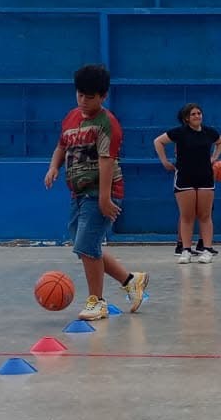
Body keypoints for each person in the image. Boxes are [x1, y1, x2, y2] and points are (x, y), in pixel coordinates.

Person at [43, 63, 149, 320]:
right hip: (77, 192)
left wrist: (104, 198)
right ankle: (131, 280)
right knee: (85, 247)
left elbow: (106, 162)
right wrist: (53, 168)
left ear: (103, 96)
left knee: (87, 245)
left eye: (89, 97)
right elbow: (61, 146)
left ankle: (96, 301)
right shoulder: (70, 118)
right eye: (79, 94)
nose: (83, 101)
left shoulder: (107, 124)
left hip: (101, 190)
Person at [154, 103, 221, 264]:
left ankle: (206, 249)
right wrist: (164, 162)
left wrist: (214, 158)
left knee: (205, 215)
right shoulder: (180, 132)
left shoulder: (209, 132)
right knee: (187, 216)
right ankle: (185, 250)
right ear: (187, 118)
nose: (197, 116)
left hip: (206, 177)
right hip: (185, 177)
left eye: (199, 113)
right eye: (193, 114)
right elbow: (158, 141)